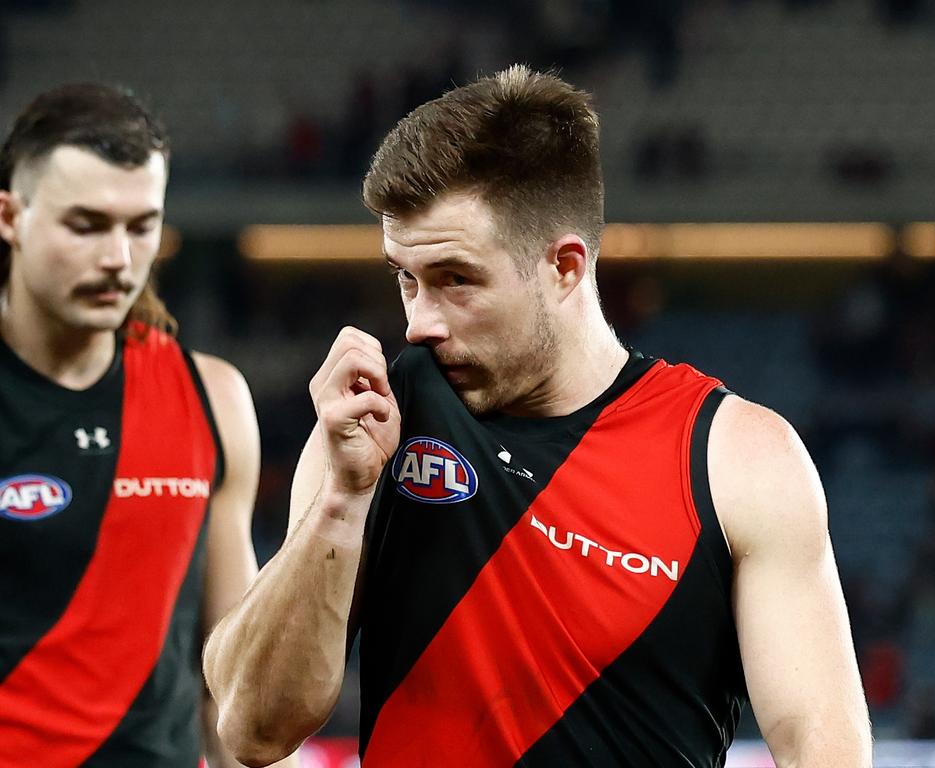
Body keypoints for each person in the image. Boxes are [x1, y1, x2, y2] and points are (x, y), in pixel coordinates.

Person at [205, 66, 872, 767]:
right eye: (406, 278)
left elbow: (821, 749)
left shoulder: (737, 458)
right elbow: (252, 728)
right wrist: (339, 503)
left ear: (564, 267)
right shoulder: (376, 425)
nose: (419, 324)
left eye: (456, 280)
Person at [0, 84, 294, 768]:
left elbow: (234, 687)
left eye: (141, 226)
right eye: (87, 225)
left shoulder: (213, 399)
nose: (120, 260)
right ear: (10, 216)